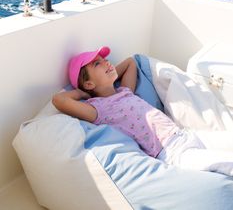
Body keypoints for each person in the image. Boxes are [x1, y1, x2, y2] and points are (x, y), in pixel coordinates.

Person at [52, 46, 233, 177]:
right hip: (172, 153)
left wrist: (107, 72)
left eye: (105, 59)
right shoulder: (97, 109)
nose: (107, 62)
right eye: (98, 63)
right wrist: (81, 92)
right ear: (89, 84)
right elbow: (58, 100)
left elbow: (131, 62)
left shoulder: (124, 91)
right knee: (226, 163)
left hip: (187, 135)